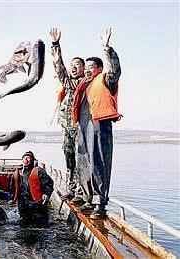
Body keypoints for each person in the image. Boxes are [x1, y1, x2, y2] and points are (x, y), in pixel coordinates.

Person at [73, 28, 121, 219]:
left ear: (100, 69)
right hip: (83, 126)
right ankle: (88, 197)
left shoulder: (106, 79)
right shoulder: (83, 84)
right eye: (87, 67)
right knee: (84, 162)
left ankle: (100, 203)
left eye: (91, 67)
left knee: (99, 161)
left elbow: (115, 69)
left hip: (100, 125)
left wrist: (107, 48)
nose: (87, 70)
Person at [49, 27, 85, 204]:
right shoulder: (68, 82)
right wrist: (55, 45)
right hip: (66, 127)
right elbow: (59, 68)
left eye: (77, 66)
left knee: (80, 159)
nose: (73, 68)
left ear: (84, 68)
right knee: (68, 157)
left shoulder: (84, 83)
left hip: (79, 127)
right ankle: (71, 189)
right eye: (72, 66)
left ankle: (81, 192)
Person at [9, 151, 54, 225]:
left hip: (37, 204)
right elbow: (13, 187)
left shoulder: (39, 171)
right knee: (24, 224)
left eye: (28, 158)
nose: (26, 159)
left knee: (40, 225)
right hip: (23, 203)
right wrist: (12, 198)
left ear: (32, 160)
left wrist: (46, 194)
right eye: (24, 158)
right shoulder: (18, 172)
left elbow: (48, 184)